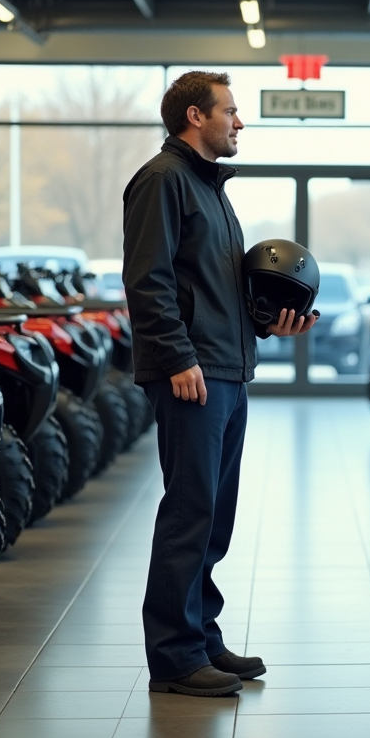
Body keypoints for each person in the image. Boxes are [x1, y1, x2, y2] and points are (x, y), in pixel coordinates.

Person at [122, 71, 317, 697]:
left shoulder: (211, 188)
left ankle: (201, 635)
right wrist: (179, 359)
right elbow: (147, 281)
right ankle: (174, 657)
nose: (240, 122)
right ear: (193, 117)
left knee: (216, 515)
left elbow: (216, 290)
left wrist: (267, 324)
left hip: (225, 370)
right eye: (230, 111)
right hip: (191, 375)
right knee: (189, 510)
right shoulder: (162, 181)